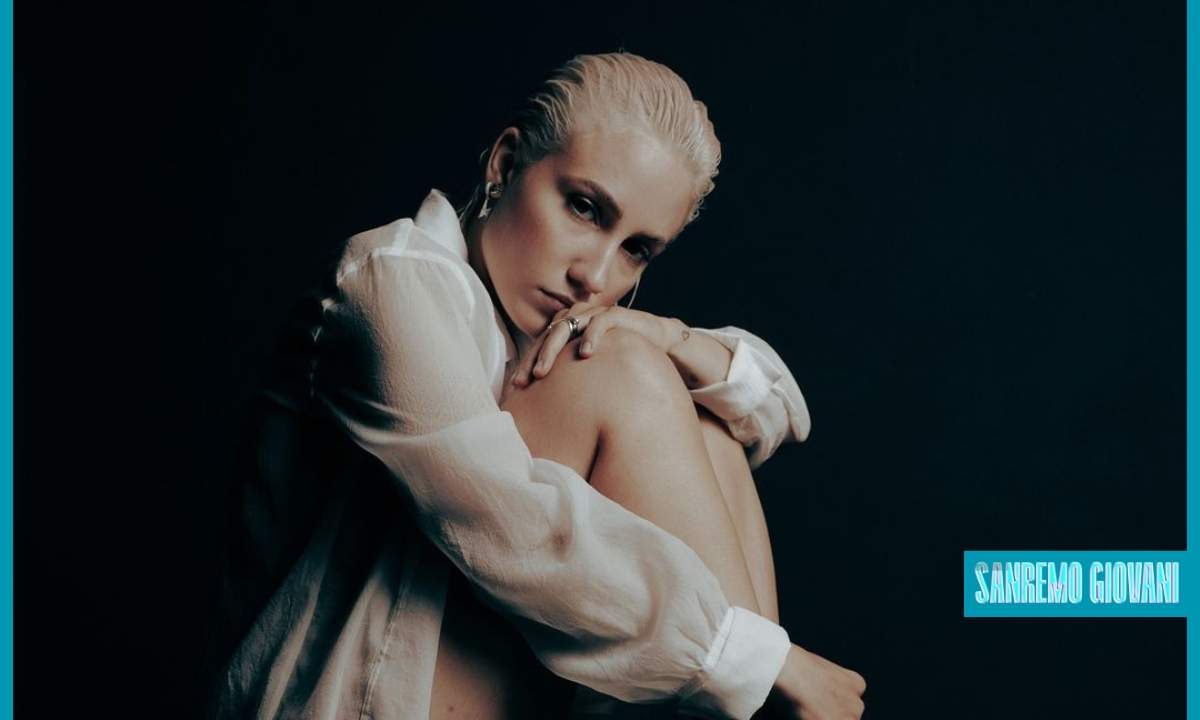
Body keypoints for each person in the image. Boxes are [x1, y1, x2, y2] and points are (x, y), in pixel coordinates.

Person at [210, 52, 866, 719]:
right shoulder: (392, 279)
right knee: (622, 365)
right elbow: (499, 522)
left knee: (698, 412)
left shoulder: (557, 340)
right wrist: (758, 661)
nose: (596, 277)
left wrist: (667, 336)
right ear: (504, 164)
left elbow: (772, 411)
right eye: (584, 208)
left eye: (637, 250)